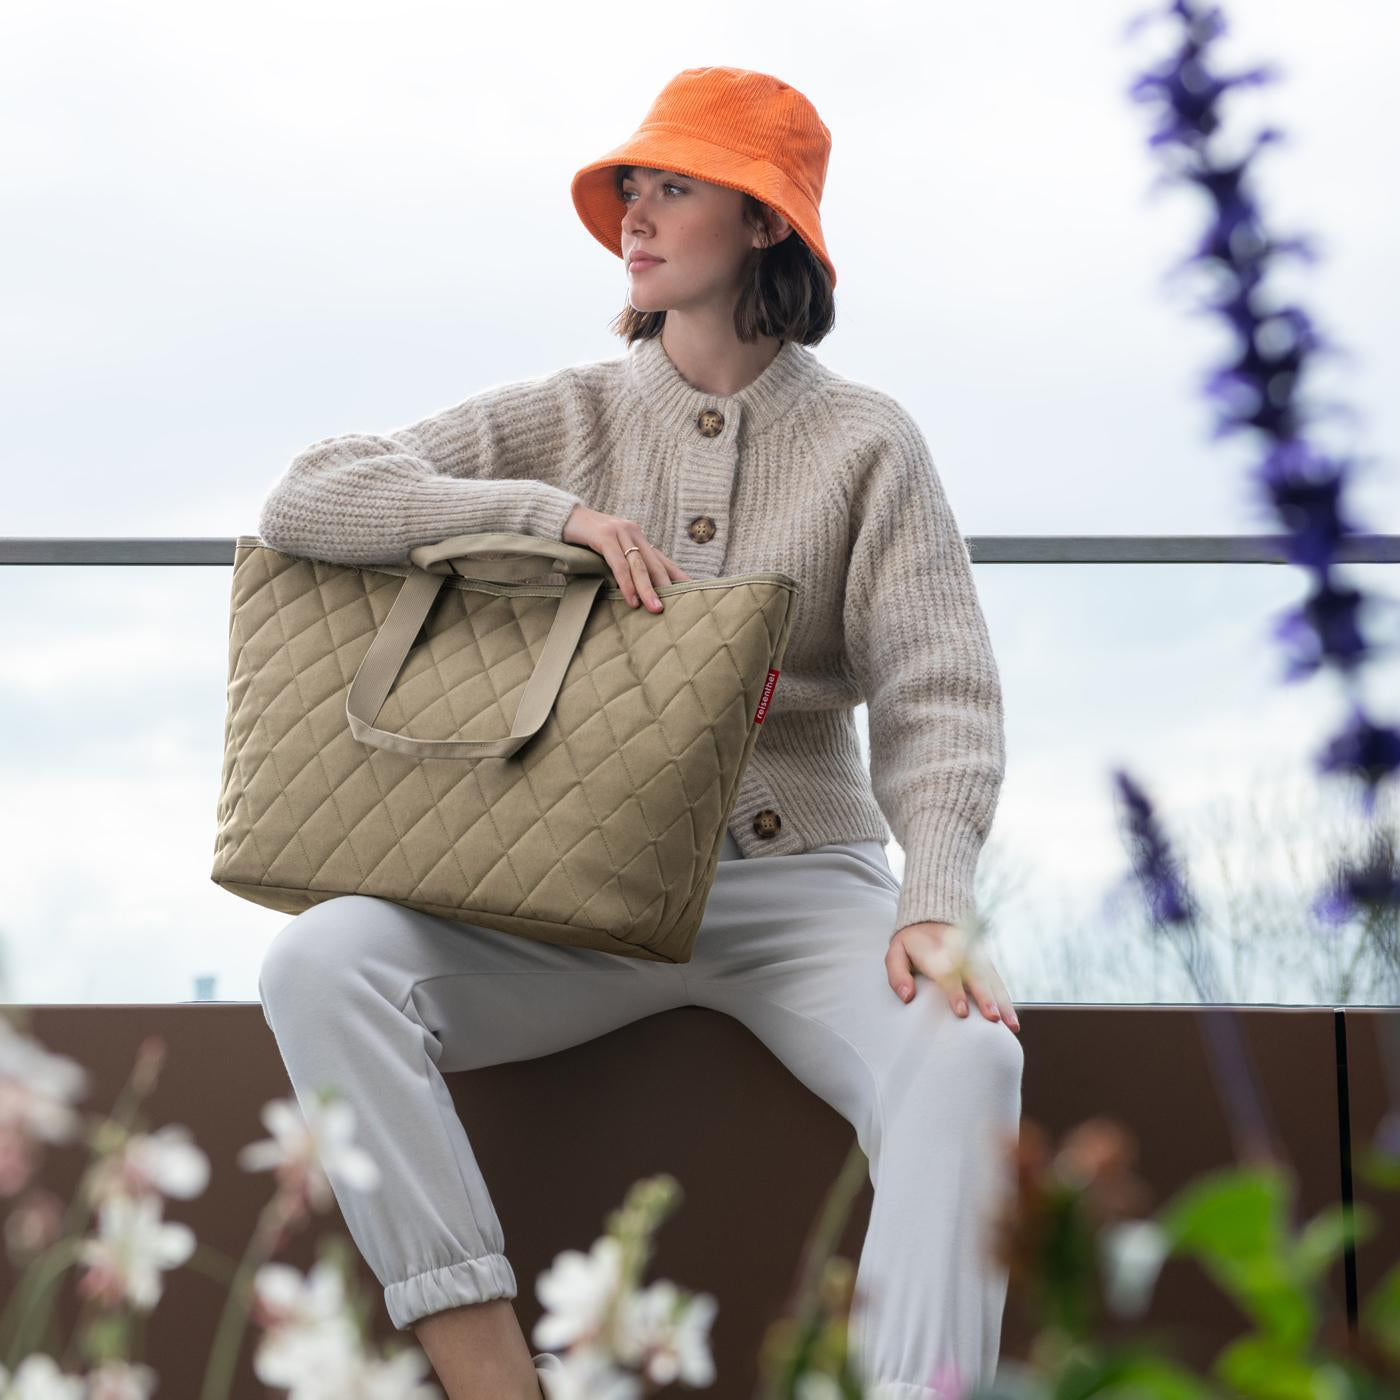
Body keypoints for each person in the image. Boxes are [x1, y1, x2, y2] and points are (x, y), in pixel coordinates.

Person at [255, 65, 1023, 1400]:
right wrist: (539, 516)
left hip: (799, 881)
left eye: (677, 188)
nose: (637, 215)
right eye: (632, 188)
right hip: (575, 893)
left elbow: (939, 689)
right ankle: (493, 1376)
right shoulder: (563, 417)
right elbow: (307, 496)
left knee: (970, 1057)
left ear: (767, 222)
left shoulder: (868, 443)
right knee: (321, 963)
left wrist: (937, 898)